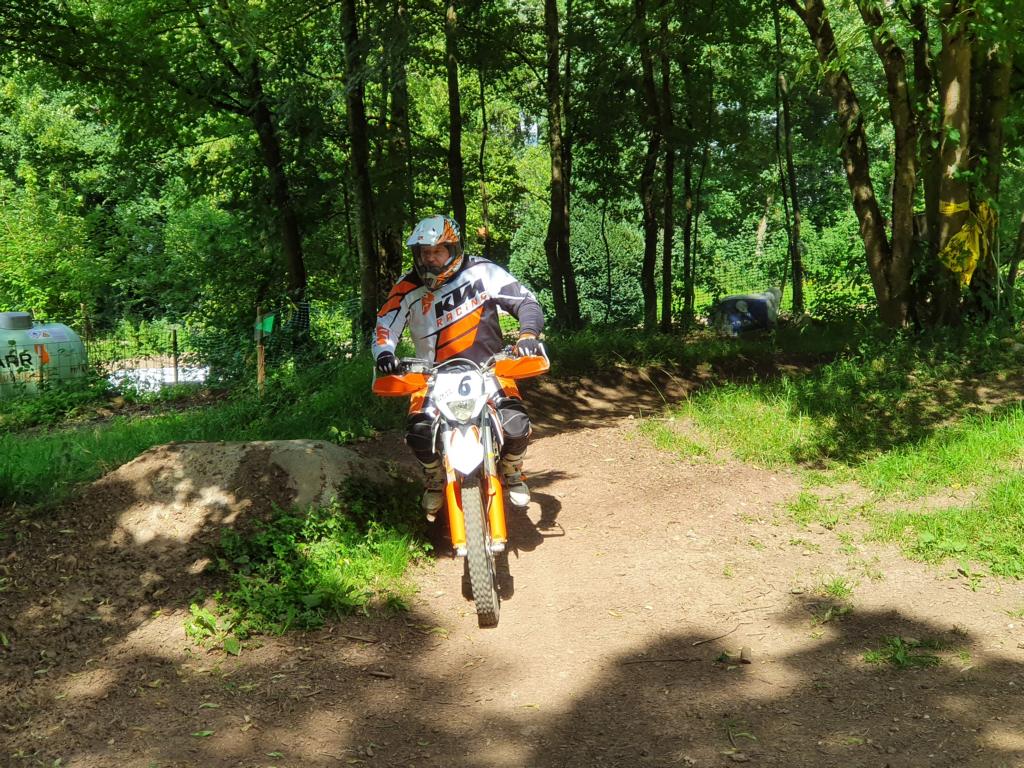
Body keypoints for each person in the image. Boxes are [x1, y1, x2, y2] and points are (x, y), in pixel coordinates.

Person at [372, 214, 544, 520]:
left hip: (490, 369)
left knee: (516, 425)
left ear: (453, 249)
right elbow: (385, 324)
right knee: (418, 432)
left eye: (437, 251)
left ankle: (511, 468)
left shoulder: (482, 271)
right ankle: (435, 475)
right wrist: (385, 353)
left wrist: (528, 336)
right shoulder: (407, 286)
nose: (430, 258)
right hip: (431, 374)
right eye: (424, 252)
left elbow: (526, 301)